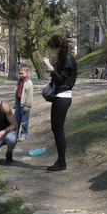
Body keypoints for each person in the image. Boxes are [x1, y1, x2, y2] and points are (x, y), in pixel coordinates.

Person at [42, 35, 78, 171]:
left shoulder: (68, 59)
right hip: (60, 96)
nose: (52, 51)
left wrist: (51, 67)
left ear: (57, 47)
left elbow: (61, 79)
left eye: (52, 48)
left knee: (58, 129)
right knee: (56, 129)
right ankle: (61, 161)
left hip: (63, 96)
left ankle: (62, 162)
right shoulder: (64, 58)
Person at [14, 64, 34, 142]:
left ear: (27, 73)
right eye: (19, 73)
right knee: (16, 119)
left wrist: (27, 105)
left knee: (24, 121)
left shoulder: (29, 83)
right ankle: (15, 134)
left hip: (25, 104)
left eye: (22, 73)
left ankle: (24, 134)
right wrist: (15, 103)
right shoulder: (19, 81)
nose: (20, 75)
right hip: (19, 102)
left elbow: (29, 95)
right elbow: (17, 92)